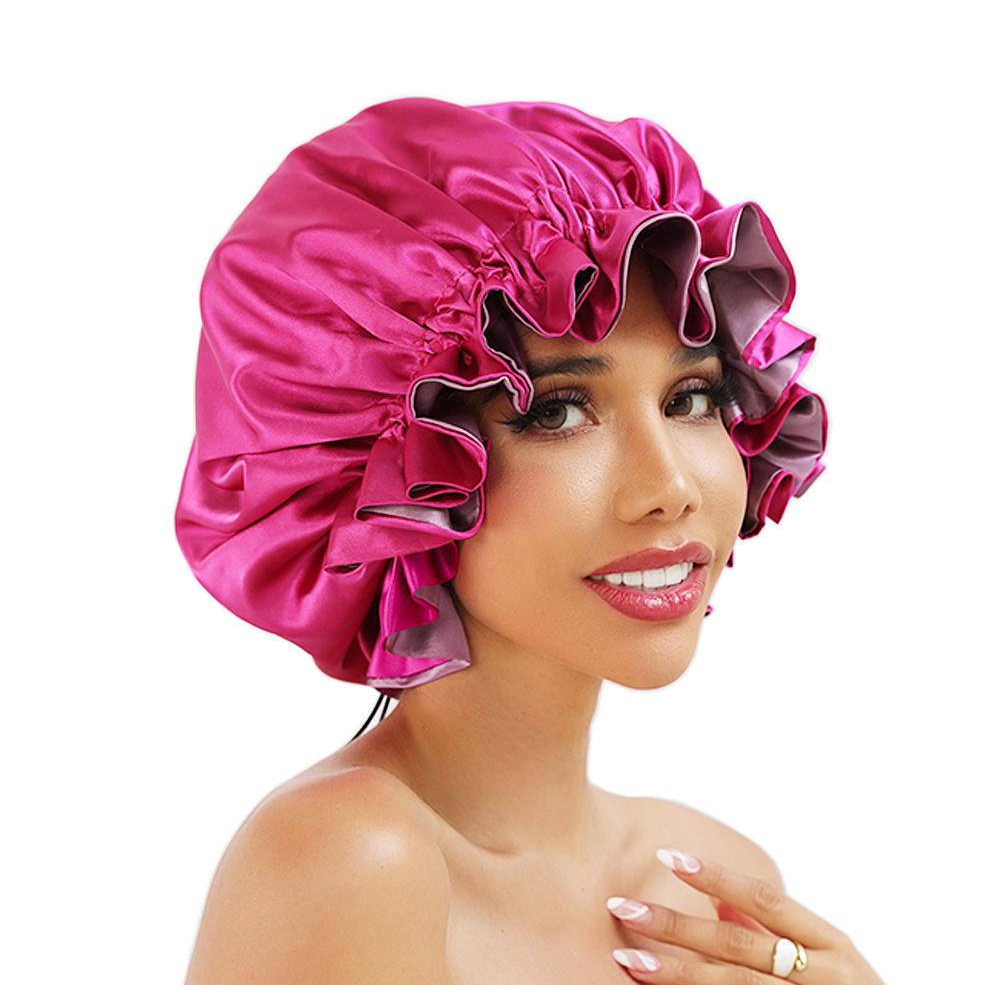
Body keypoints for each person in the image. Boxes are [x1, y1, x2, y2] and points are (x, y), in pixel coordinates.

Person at [176, 98, 882, 983]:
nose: (670, 487)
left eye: (693, 398)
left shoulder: (714, 888)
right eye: (556, 413)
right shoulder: (354, 860)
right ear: (403, 478)